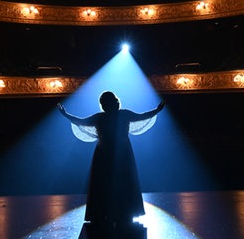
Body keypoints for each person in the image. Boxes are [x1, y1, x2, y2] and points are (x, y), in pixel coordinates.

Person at [57, 91, 165, 229]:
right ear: (114, 102)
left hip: (107, 153)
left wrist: (65, 114)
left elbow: (80, 121)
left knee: (105, 183)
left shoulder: (103, 117)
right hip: (117, 153)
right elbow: (143, 116)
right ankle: (124, 212)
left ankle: (104, 213)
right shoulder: (122, 115)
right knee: (120, 181)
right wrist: (157, 110)